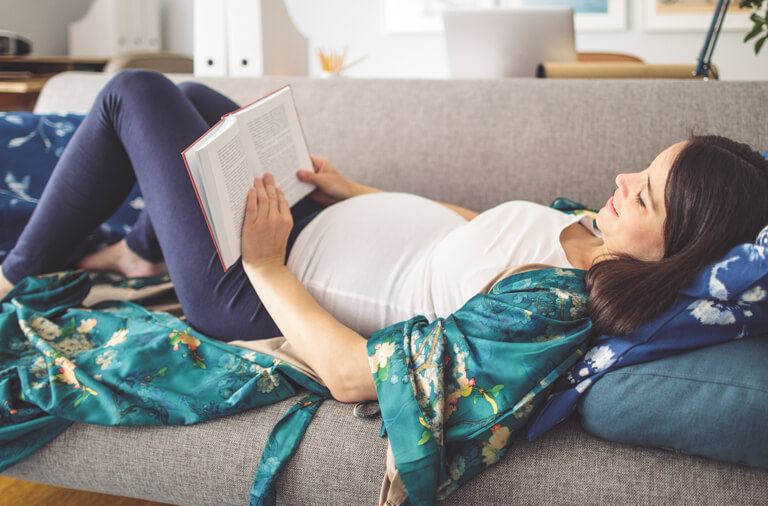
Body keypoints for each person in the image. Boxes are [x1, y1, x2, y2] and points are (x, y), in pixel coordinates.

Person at [1, 70, 767, 405]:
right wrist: (355, 189)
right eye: (645, 168)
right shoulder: (595, 232)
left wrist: (266, 262)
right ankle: (140, 253)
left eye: (649, 195)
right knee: (200, 104)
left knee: (136, 93)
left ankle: (14, 273)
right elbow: (477, 229)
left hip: (255, 292)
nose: (625, 178)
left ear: (682, 250)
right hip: (308, 228)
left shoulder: (551, 308)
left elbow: (351, 375)